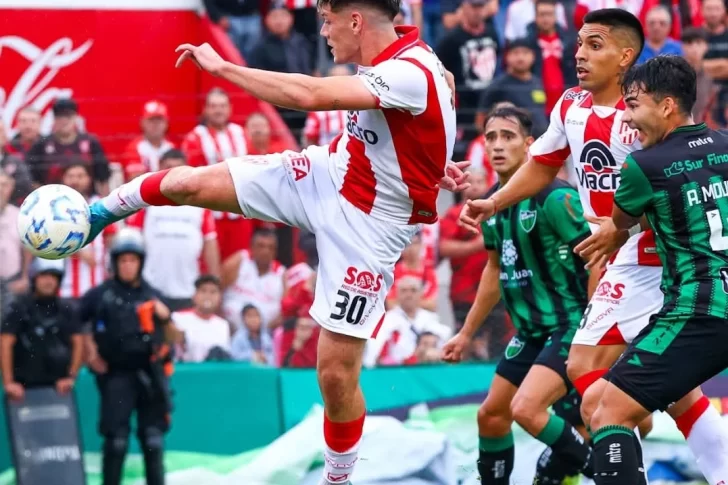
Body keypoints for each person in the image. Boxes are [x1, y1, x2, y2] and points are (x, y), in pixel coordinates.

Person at [76, 0, 467, 482]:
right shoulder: (405, 57)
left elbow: (308, 93)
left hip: (371, 229)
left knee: (335, 375)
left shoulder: (409, 72)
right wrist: (427, 162)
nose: (322, 32)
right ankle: (97, 214)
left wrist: (223, 68)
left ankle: (338, 478)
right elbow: (435, 102)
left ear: (356, 21)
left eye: (327, 21)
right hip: (329, 174)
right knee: (186, 184)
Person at [458, 8, 728, 484]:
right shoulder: (570, 105)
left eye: (595, 45)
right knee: (646, 386)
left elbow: (673, 184)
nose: (580, 54)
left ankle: (625, 433)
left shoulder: (645, 116)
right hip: (617, 257)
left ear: (626, 57)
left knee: (598, 384)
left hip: (655, 259)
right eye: (580, 43)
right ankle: (652, 440)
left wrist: (619, 231)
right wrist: (494, 201)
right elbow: (543, 163)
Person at [571, 55, 728, 485]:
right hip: (709, 307)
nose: (627, 117)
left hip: (697, 312)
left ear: (667, 105)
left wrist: (609, 232)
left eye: (634, 105)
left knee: (606, 411)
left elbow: (619, 222)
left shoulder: (644, 166)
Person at [442, 107, 593, 485]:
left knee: (534, 412)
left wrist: (596, 328)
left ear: (529, 145)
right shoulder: (490, 204)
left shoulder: (555, 198)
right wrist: (465, 333)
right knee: (491, 416)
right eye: (491, 137)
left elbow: (598, 259)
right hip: (530, 333)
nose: (497, 145)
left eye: (507, 136)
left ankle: (610, 474)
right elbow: (494, 270)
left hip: (569, 326)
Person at [80, 228, 174, 485]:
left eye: (133, 260)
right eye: (123, 260)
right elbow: (75, 321)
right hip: (116, 374)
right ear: (115, 262)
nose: (128, 265)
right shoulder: (101, 294)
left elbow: (175, 336)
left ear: (141, 262)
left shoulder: (153, 295)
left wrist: (166, 318)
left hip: (150, 373)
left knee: (153, 440)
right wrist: (90, 352)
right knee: (116, 441)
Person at [1, 259, 83, 402]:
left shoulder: (67, 309)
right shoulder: (19, 307)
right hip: (23, 389)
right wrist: (9, 382)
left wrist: (71, 377)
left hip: (58, 389)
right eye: (44, 276)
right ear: (34, 278)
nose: (49, 281)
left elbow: (78, 342)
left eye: (53, 277)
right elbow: (5, 342)